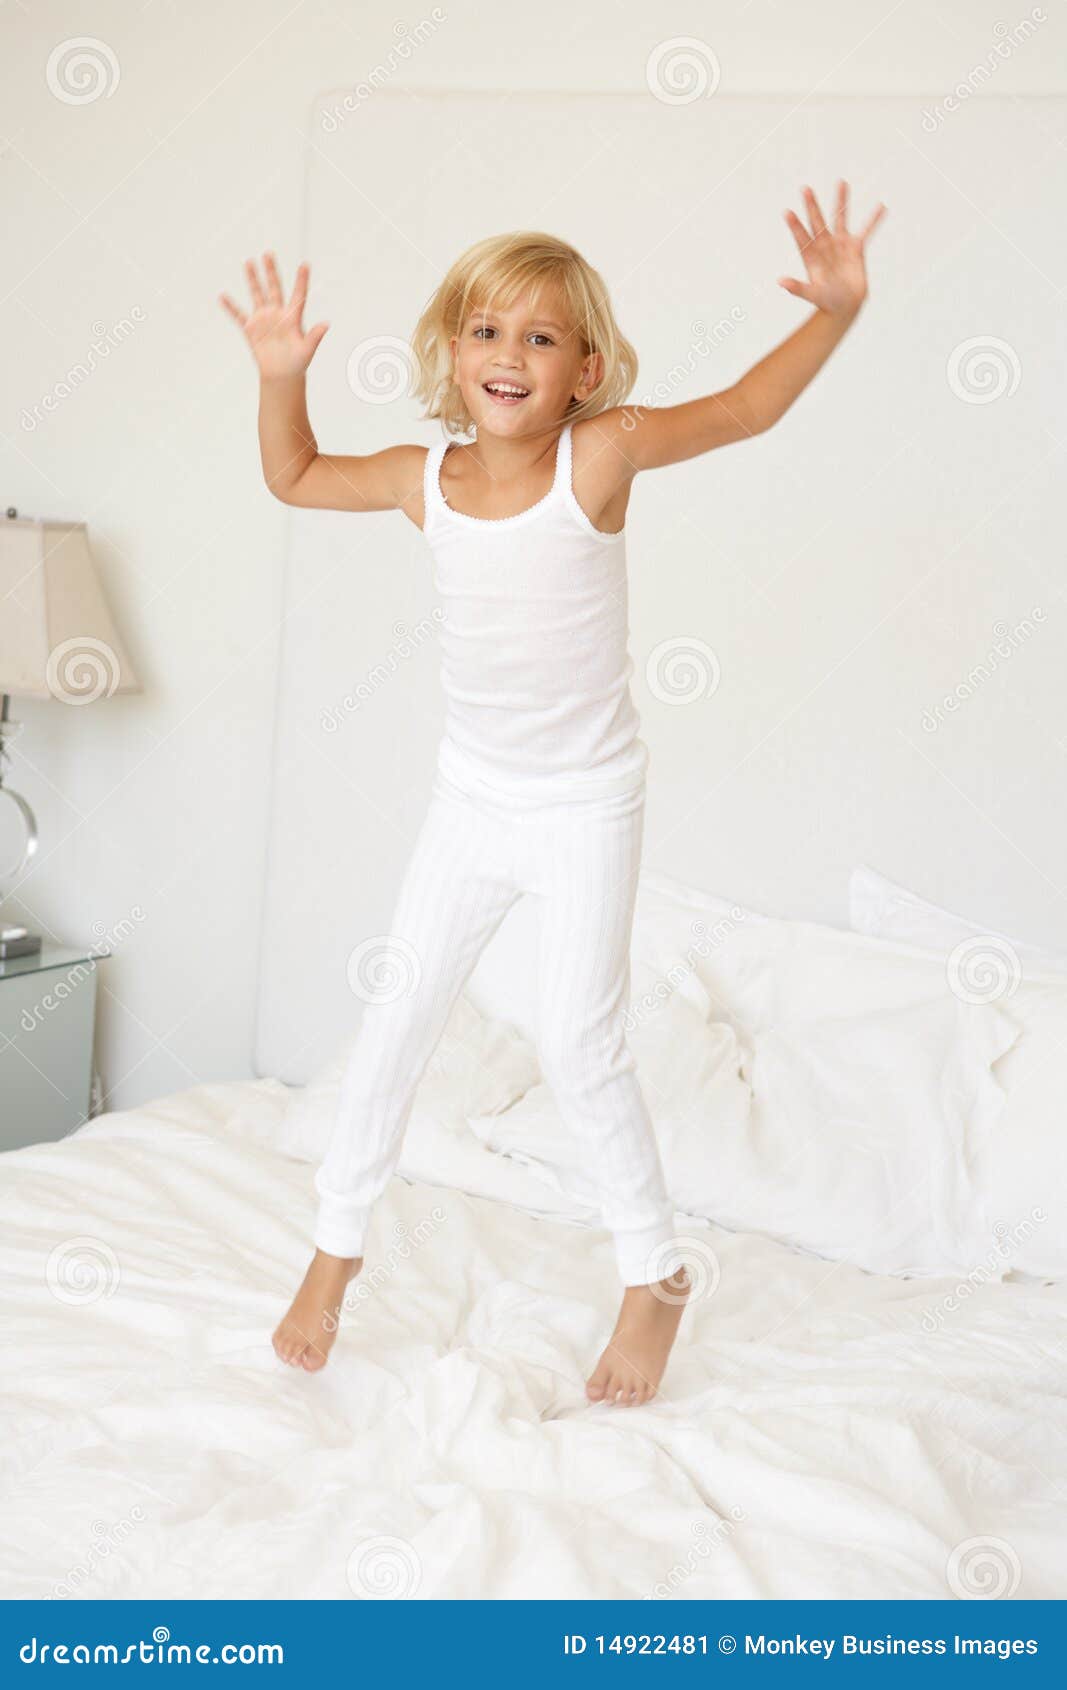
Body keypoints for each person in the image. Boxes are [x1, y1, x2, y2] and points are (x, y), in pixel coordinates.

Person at [219, 184, 884, 1405]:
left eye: (539, 336)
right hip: (470, 801)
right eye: (485, 330)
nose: (507, 355)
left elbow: (745, 407)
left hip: (584, 804)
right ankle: (332, 1252)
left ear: (584, 369)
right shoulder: (422, 476)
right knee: (396, 1020)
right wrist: (277, 374)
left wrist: (834, 311)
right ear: (449, 351)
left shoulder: (604, 453)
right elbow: (296, 475)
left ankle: (651, 1275)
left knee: (581, 1041)